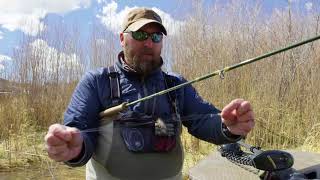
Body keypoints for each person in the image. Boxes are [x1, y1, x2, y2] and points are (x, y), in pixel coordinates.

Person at [44, 7, 255, 180]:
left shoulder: (176, 84)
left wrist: (228, 127)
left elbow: (204, 120)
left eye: (155, 36)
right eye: (139, 34)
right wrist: (75, 148)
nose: (148, 43)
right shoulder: (96, 81)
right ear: (122, 38)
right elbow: (80, 132)